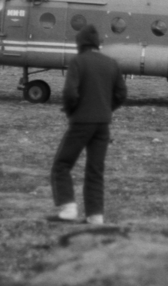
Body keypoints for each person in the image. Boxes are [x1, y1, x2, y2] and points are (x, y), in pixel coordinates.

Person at [50, 24, 126, 224]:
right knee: (95, 170)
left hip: (82, 122)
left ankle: (68, 209)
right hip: (103, 124)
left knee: (62, 164)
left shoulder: (78, 62)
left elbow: (69, 93)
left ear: (80, 44)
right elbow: (121, 94)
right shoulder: (111, 63)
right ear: (97, 44)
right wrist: (106, 108)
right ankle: (95, 216)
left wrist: (71, 110)